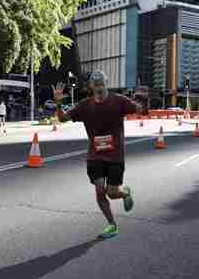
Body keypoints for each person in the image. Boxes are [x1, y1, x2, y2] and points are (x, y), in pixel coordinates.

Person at [53, 71, 148, 239]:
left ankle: (125, 193)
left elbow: (142, 111)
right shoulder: (85, 105)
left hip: (115, 155)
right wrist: (58, 104)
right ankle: (112, 225)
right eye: (96, 85)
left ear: (107, 83)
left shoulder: (119, 101)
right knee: (99, 190)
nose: (99, 88)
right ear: (91, 86)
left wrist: (142, 98)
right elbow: (63, 119)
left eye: (101, 84)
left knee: (112, 192)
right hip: (95, 155)